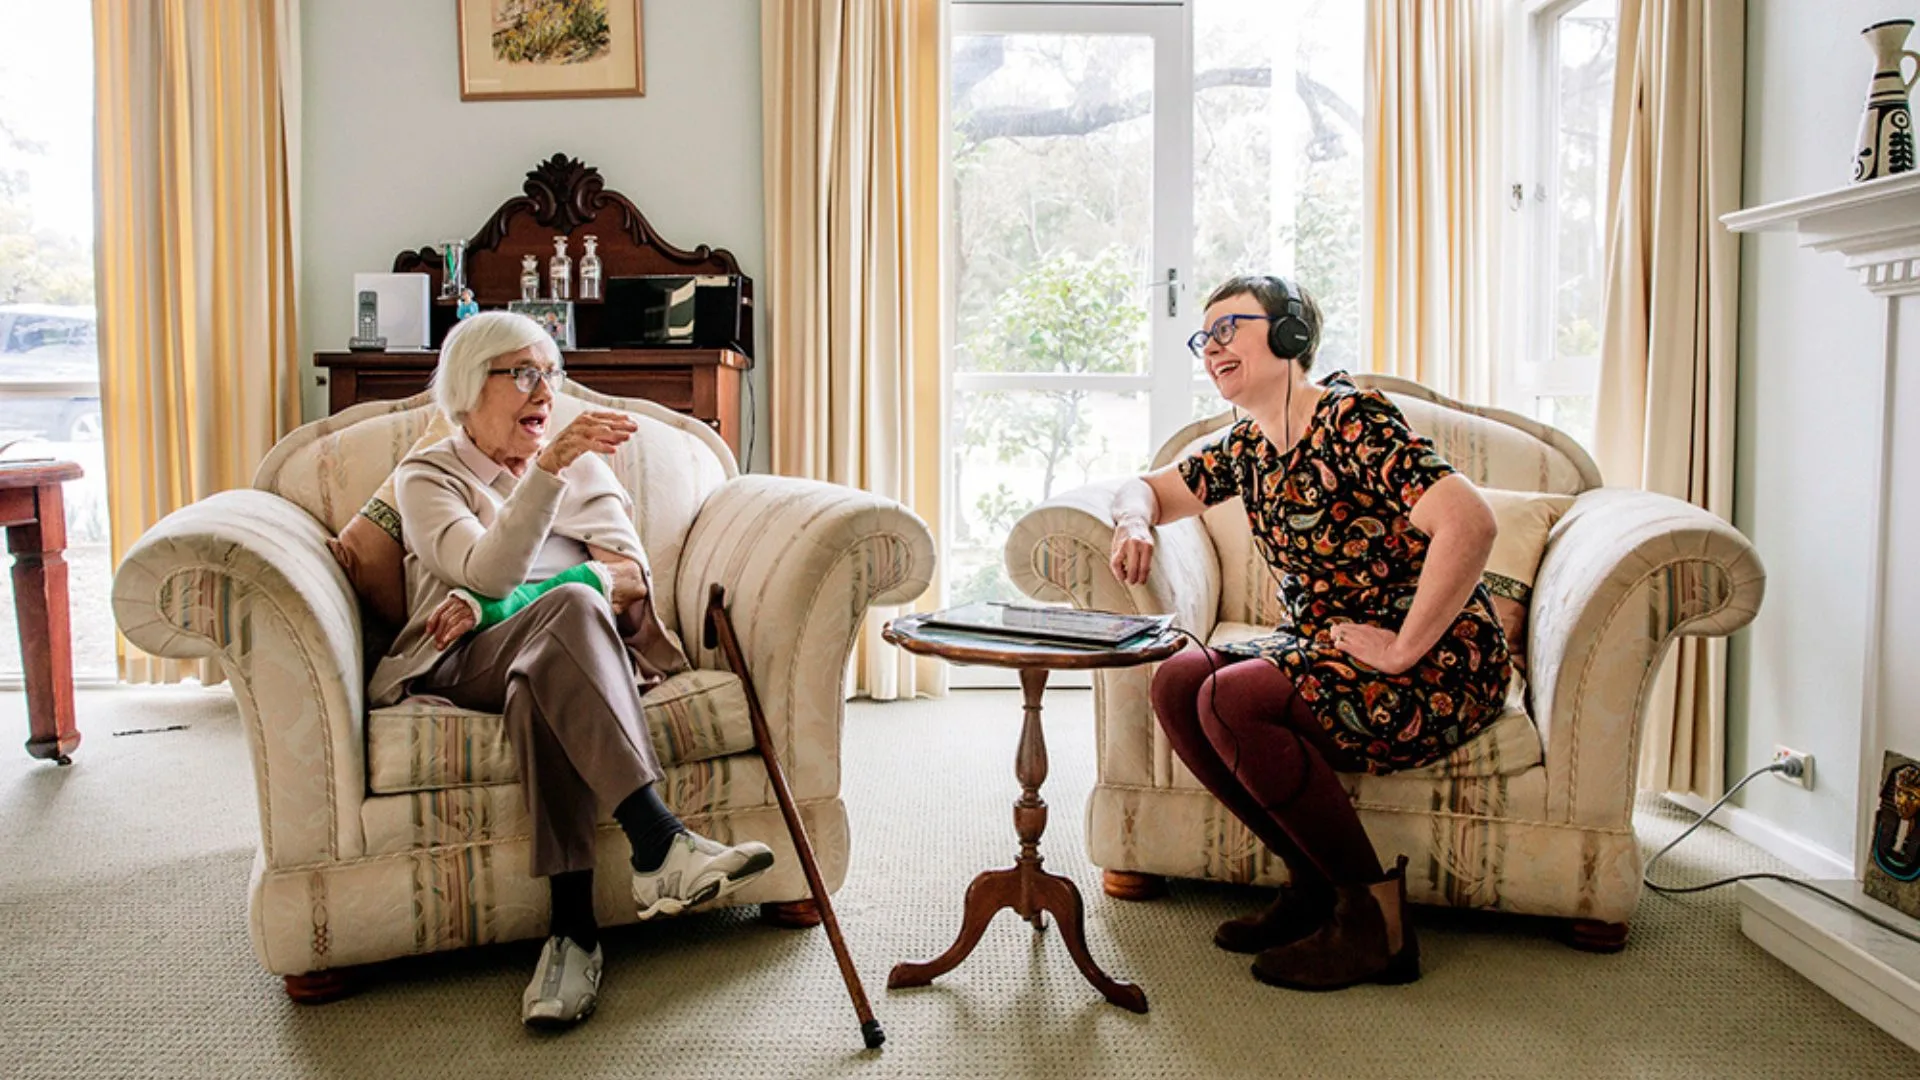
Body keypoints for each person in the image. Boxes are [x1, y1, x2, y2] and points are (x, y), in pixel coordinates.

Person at [366, 311, 774, 1029]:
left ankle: (572, 934)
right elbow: (483, 570)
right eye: (521, 374)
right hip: (463, 661)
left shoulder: (584, 465)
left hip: (575, 659)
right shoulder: (428, 477)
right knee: (567, 612)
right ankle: (659, 841)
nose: (544, 390)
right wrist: (544, 500)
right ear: (468, 388)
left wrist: (544, 589)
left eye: (549, 373)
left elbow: (629, 579)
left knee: (552, 662)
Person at [1107, 275, 1510, 991]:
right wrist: (1136, 519)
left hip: (1439, 664)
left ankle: (1376, 925)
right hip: (1330, 648)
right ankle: (1314, 884)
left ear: (1291, 334)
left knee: (1232, 698)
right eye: (1205, 338)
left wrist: (1404, 645)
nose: (1212, 349)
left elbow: (1469, 521)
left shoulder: (1353, 417)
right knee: (1177, 679)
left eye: (1230, 327)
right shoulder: (1246, 447)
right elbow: (1146, 486)